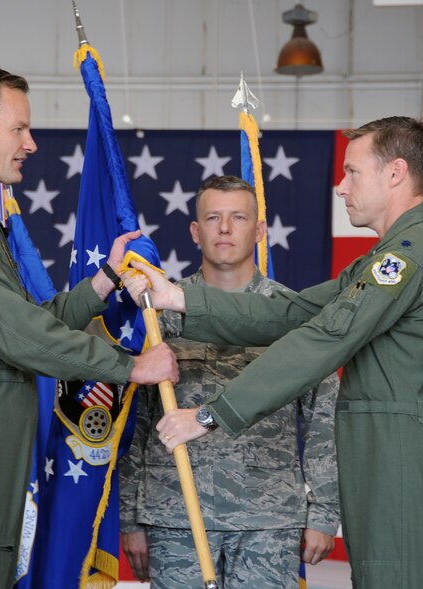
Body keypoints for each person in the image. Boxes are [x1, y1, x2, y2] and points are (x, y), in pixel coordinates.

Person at [125, 117, 423, 589]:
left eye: (353, 172)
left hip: (399, 455)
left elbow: (325, 338)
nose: (341, 186)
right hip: (379, 449)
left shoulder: (406, 257)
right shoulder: (382, 258)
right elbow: (291, 313)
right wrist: (178, 299)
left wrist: (209, 416)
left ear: (395, 172)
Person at [0, 65, 178, 589]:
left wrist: (104, 280)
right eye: (20, 128)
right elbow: (18, 336)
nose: (32, 143)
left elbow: (25, 320)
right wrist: (130, 366)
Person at [118, 176, 340, 588]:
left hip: (268, 522)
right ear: (195, 231)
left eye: (238, 217)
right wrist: (131, 515)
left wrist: (325, 513)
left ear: (258, 231)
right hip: (176, 517)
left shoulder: (292, 315)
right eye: (213, 217)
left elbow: (323, 419)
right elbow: (137, 422)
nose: (224, 228)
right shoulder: (158, 313)